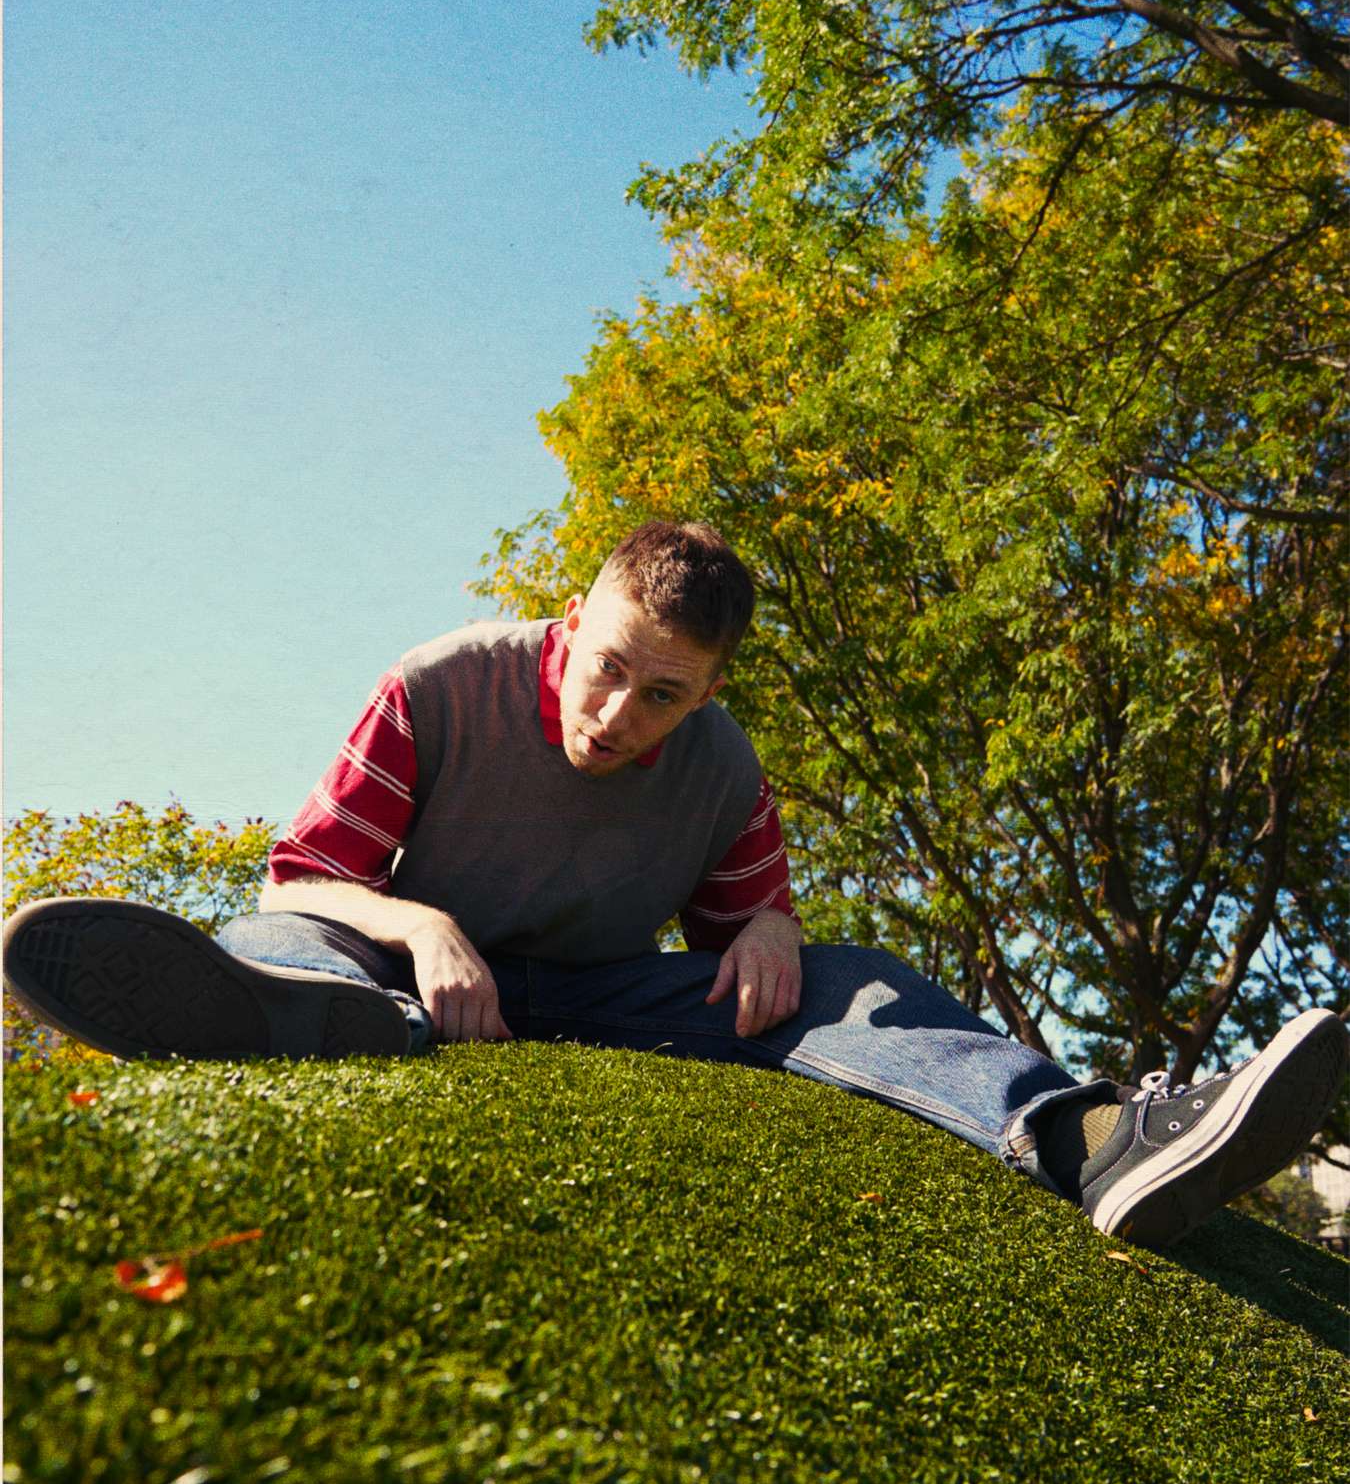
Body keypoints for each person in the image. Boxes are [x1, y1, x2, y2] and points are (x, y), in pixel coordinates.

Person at [5, 521, 1345, 1249]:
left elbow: (755, 928)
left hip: (596, 989)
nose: (615, 715)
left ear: (706, 690)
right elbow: (314, 867)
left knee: (844, 979)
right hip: (404, 964)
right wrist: (418, 924)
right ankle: (292, 1011)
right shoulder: (439, 683)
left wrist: (767, 923)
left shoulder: (718, 766)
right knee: (294, 928)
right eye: (604, 667)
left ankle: (1090, 1141)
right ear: (572, 619)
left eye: (662, 695)